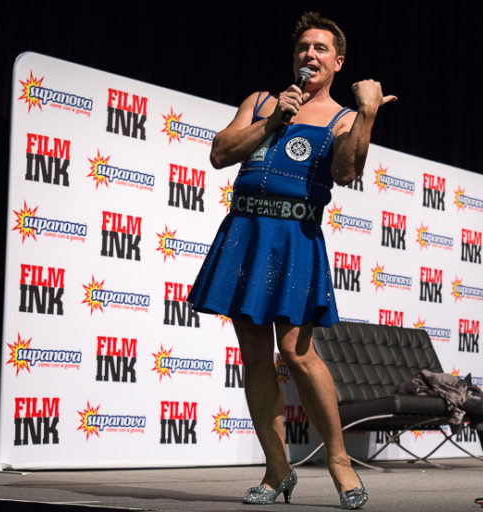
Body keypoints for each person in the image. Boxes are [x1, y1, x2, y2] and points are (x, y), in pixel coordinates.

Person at [187, 12, 395, 509]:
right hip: (245, 231)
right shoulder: (262, 101)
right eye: (304, 47)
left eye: (321, 48)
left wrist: (367, 115)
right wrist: (272, 121)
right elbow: (220, 154)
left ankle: (340, 462)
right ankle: (277, 468)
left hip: (294, 238)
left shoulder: (343, 118)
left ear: (338, 62)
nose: (310, 55)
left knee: (297, 353)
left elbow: (346, 171)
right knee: (255, 355)